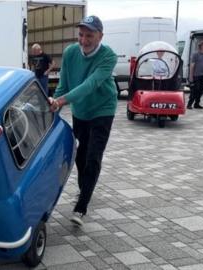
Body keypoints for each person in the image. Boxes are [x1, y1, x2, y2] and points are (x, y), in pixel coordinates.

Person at [49, 15, 117, 226]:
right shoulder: (70, 52)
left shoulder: (108, 56)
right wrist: (54, 110)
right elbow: (64, 84)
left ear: (100, 36)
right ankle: (85, 187)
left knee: (93, 157)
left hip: (102, 109)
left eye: (90, 35)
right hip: (81, 112)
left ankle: (81, 207)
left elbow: (91, 84)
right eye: (81, 35)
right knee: (80, 156)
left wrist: (61, 100)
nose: (84, 40)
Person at [187, 40, 203, 109]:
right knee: (194, 90)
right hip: (196, 75)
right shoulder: (195, 54)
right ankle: (189, 104)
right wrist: (191, 77)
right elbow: (192, 65)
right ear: (201, 46)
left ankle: (197, 104)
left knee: (201, 90)